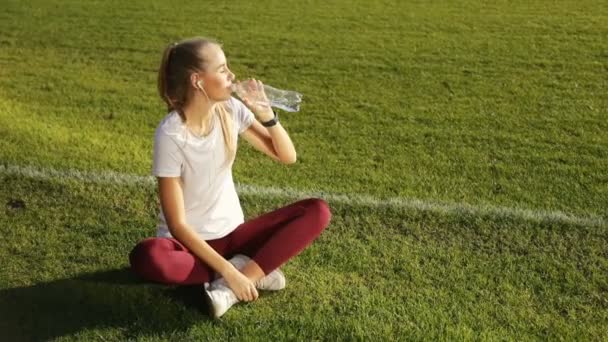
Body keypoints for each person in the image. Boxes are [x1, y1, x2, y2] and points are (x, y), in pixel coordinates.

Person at [128, 37, 331, 318]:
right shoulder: (171, 135)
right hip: (189, 247)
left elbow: (287, 156)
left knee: (316, 211)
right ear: (198, 80)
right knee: (147, 257)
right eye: (223, 69)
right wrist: (228, 270)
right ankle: (251, 271)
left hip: (234, 236)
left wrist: (268, 116)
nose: (232, 75)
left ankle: (229, 288)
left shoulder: (230, 110)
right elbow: (177, 224)